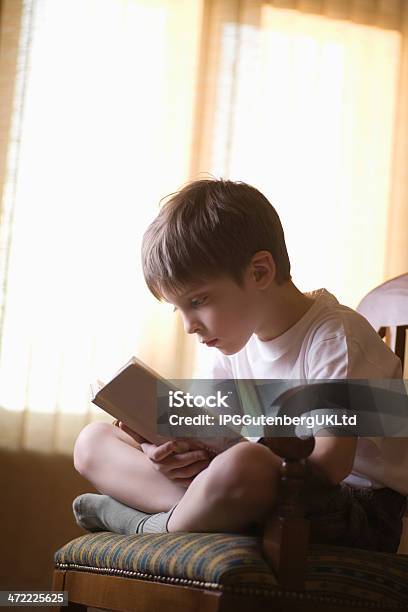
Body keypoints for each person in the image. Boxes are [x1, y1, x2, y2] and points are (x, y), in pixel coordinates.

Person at [72, 179, 405, 552]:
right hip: (251, 488)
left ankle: (148, 526)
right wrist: (167, 452)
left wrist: (234, 460)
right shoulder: (234, 343)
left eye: (198, 300)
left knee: (245, 462)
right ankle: (207, 516)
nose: (189, 325)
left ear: (260, 272)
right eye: (178, 308)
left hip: (350, 509)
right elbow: (214, 434)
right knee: (93, 442)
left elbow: (329, 464)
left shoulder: (334, 337)